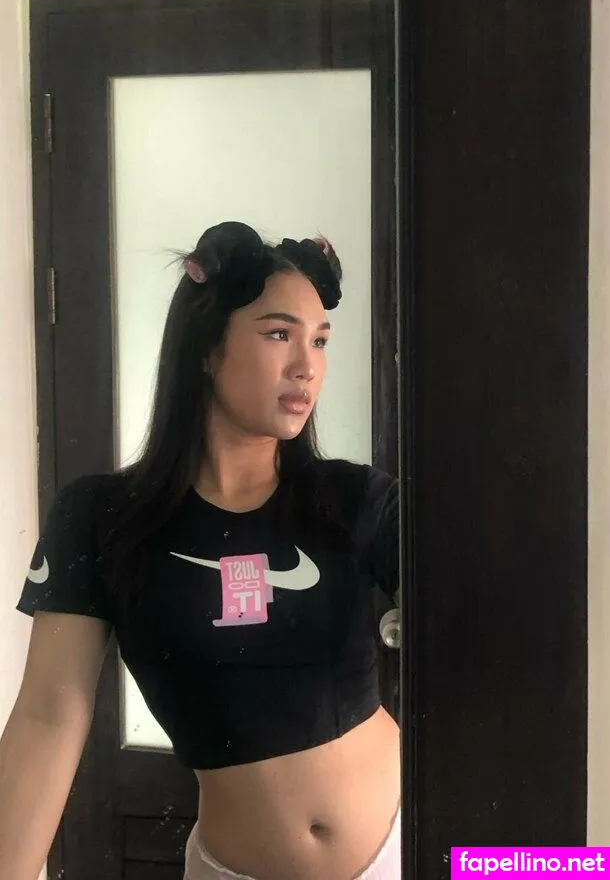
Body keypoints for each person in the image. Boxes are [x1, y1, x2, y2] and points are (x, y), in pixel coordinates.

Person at [0, 222, 400, 880]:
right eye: (279, 334)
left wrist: (545, 860)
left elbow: (480, 635)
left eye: (320, 340)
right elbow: (48, 715)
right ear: (208, 350)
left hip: (399, 853)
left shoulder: (356, 498)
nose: (308, 366)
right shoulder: (100, 519)